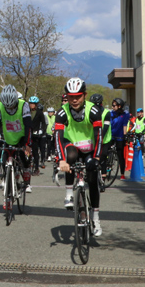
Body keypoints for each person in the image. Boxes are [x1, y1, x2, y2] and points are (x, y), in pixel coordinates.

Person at [55, 78, 105, 234]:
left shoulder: (94, 111)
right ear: (66, 97)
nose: (74, 99)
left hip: (91, 149)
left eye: (78, 96)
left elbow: (99, 136)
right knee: (69, 156)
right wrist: (61, 160)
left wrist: (96, 159)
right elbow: (58, 137)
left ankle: (95, 218)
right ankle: (69, 193)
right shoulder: (62, 112)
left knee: (92, 180)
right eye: (71, 96)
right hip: (73, 147)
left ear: (85, 95)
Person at [0, 84, 33, 195]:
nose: (9, 109)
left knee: (23, 157)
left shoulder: (23, 105)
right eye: (7, 107)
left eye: (12, 106)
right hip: (8, 137)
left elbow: (28, 126)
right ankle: (8, 181)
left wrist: (27, 144)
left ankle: (26, 179)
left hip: (22, 136)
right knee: (4, 158)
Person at [108, 97, 129, 180]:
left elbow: (124, 126)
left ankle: (122, 174)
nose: (113, 107)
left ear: (119, 106)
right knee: (107, 152)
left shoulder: (125, 115)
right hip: (111, 135)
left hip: (120, 136)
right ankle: (106, 168)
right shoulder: (111, 113)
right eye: (112, 105)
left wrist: (125, 135)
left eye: (114, 105)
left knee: (120, 155)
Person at [27, 96, 48, 170]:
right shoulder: (26, 111)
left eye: (33, 104)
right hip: (27, 133)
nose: (32, 105)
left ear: (36, 104)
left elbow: (44, 123)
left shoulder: (39, 112)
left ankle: (36, 168)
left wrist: (41, 131)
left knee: (35, 151)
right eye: (31, 103)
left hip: (35, 133)